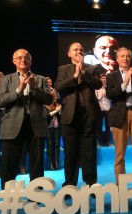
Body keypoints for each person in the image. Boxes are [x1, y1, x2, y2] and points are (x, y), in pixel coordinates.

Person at [0, 49, 53, 189]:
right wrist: (18, 90)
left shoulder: (40, 79)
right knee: (9, 164)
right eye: (19, 57)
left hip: (36, 125)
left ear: (31, 60)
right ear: (14, 61)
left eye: (26, 57)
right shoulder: (6, 79)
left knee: (36, 164)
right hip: (11, 125)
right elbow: (0, 101)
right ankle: (8, 197)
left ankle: (36, 195)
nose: (23, 59)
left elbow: (48, 100)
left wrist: (34, 88)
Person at [54, 42, 102, 187]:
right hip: (70, 115)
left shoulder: (92, 68)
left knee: (89, 152)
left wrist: (84, 73)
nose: (79, 51)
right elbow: (58, 86)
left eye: (81, 49)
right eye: (75, 49)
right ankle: (70, 184)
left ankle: (91, 183)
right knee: (70, 152)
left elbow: (98, 84)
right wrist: (75, 76)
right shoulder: (63, 69)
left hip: (89, 114)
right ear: (69, 54)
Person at [106, 47, 132, 185]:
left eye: (127, 56)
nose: (125, 58)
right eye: (122, 56)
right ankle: (120, 186)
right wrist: (124, 83)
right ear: (117, 59)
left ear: (130, 59)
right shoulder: (111, 76)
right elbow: (110, 94)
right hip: (120, 116)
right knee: (119, 154)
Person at [45, 77, 62, 170]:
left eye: (50, 82)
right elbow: (47, 115)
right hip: (48, 126)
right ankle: (51, 163)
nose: (55, 97)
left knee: (57, 144)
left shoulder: (57, 103)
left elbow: (59, 111)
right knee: (50, 144)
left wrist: (58, 110)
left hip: (57, 125)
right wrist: (56, 111)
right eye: (53, 96)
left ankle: (56, 162)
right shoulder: (46, 104)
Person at [95, 73, 112, 146]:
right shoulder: (96, 89)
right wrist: (101, 96)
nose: (104, 80)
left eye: (105, 78)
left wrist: (107, 96)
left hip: (108, 108)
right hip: (99, 108)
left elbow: (112, 98)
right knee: (99, 126)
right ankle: (100, 141)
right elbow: (95, 99)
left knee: (108, 125)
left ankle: (108, 141)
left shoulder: (109, 88)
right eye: (102, 78)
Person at [0, 71, 5, 178]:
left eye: (0, 76)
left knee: (6, 148)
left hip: (5, 120)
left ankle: (3, 169)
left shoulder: (7, 88)